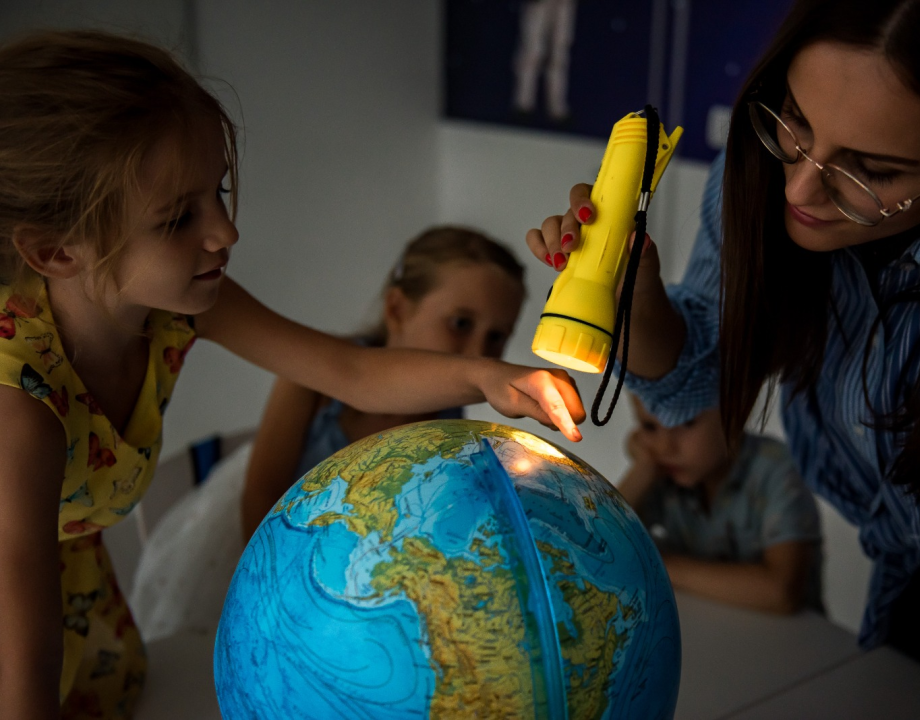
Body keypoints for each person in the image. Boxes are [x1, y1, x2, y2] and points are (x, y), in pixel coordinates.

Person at [0, 31, 584, 718]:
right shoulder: (18, 414)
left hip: (85, 629)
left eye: (217, 191)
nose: (224, 231)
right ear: (55, 252)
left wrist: (487, 377)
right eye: (177, 218)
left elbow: (351, 371)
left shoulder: (173, 307)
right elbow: (22, 664)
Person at [526, 1, 920, 717]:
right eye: (794, 122)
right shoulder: (769, 167)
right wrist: (633, 289)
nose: (799, 189)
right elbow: (695, 377)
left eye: (871, 170)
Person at [128, 226, 529, 642]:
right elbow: (263, 493)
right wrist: (283, 595)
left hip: (358, 585)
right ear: (397, 309)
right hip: (270, 553)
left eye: (497, 336)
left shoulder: (454, 426)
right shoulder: (311, 383)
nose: (479, 352)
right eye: (460, 323)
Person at [619, 396, 822, 615]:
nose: (665, 447)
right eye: (649, 426)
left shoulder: (777, 467)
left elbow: (781, 593)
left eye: (686, 422)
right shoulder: (665, 473)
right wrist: (642, 469)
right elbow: (605, 539)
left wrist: (656, 563)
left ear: (734, 415)